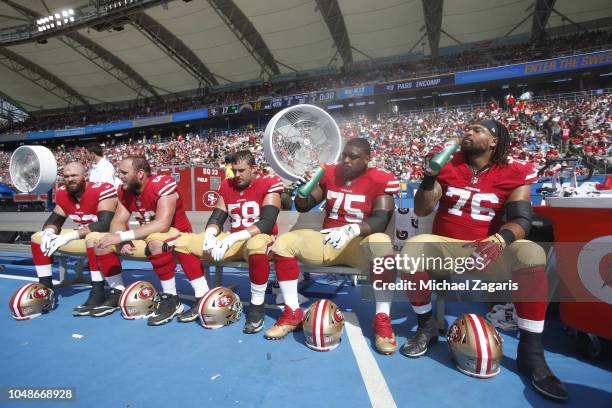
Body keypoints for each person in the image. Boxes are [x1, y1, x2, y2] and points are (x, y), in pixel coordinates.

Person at [399, 120, 567, 401]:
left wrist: (499, 240)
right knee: (413, 249)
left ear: (494, 141)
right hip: (447, 248)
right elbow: (422, 209)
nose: (468, 131)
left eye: (477, 129)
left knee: (531, 252)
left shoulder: (513, 171)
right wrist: (430, 177)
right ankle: (426, 327)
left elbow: (522, 220)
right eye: (468, 128)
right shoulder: (448, 164)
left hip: (487, 248)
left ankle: (531, 352)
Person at [265, 138, 401, 355]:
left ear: (368, 158)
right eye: (344, 155)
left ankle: (382, 319)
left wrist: (352, 230)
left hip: (358, 245)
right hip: (329, 241)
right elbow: (305, 206)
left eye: (353, 157)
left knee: (382, 243)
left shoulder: (379, 178)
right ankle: (292, 311)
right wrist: (302, 192)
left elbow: (381, 219)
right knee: (284, 243)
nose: (346, 160)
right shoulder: (330, 173)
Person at [87, 156, 209, 325]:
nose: (120, 176)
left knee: (155, 241)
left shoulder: (160, 184)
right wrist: (120, 240)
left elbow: (162, 224)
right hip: (146, 236)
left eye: (124, 172)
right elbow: (117, 221)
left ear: (141, 173)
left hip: (177, 236)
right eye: (119, 172)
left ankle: (171, 299)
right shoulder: (125, 190)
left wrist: (122, 236)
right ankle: (117, 291)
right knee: (100, 242)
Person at [175, 150, 283, 332]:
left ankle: (257, 305)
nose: (237, 175)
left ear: (254, 168)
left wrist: (232, 237)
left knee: (257, 245)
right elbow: (217, 217)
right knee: (182, 243)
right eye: (234, 170)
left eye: (242, 170)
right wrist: (210, 234)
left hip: (259, 238)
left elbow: (266, 222)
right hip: (233, 240)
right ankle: (202, 296)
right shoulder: (227, 185)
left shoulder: (269, 183)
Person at [30, 162, 117, 316]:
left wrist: (70, 236)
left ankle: (97, 290)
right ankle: (46, 287)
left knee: (92, 237)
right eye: (66, 176)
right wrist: (50, 231)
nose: (70, 179)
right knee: (38, 237)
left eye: (74, 175)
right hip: (83, 236)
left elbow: (104, 224)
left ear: (86, 176)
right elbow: (54, 220)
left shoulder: (102, 189)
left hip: (106, 239)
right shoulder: (64, 193)